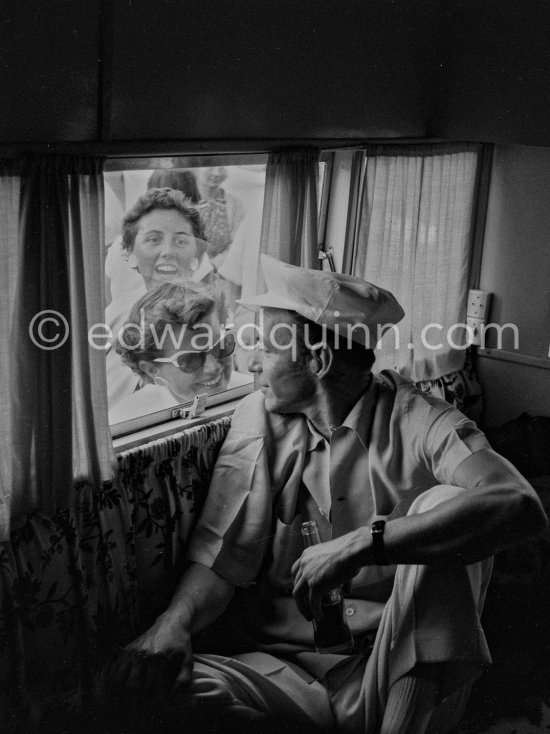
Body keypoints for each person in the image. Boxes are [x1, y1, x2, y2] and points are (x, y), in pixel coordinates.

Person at [111, 255, 547, 734]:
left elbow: (519, 505)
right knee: (164, 686)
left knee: (444, 506)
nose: (249, 362)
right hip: (284, 673)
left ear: (316, 360)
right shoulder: (258, 415)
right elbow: (223, 555)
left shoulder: (421, 419)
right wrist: (173, 622)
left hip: (395, 673)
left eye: (265, 347)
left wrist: (366, 543)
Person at [106, 187, 218, 407]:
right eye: (153, 239)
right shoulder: (108, 324)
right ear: (129, 253)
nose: (168, 251)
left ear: (197, 254)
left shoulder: (212, 316)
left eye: (180, 241)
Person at [108, 283, 252, 425]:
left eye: (222, 346)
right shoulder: (126, 422)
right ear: (151, 369)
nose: (213, 367)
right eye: (191, 359)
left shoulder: (254, 395)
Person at [197, 166, 245, 268]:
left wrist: (213, 265)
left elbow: (237, 244)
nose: (217, 173)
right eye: (210, 166)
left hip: (221, 271)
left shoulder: (235, 204)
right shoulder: (182, 200)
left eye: (222, 167)